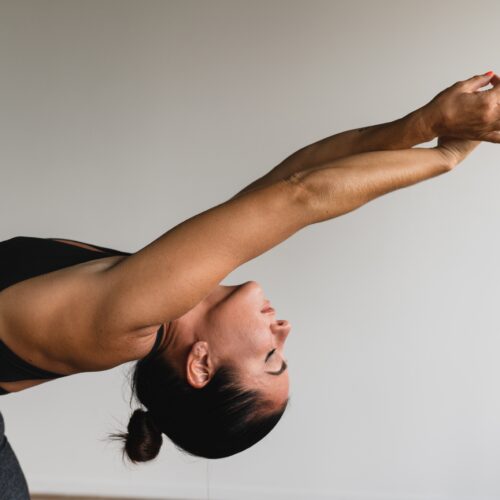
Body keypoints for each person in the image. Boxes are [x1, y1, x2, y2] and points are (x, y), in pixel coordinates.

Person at [1, 72, 499, 497]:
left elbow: (301, 197)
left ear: (200, 364)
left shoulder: (126, 320)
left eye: (270, 356)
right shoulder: (156, 303)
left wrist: (445, 156)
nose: (283, 329)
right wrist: (426, 126)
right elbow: (297, 176)